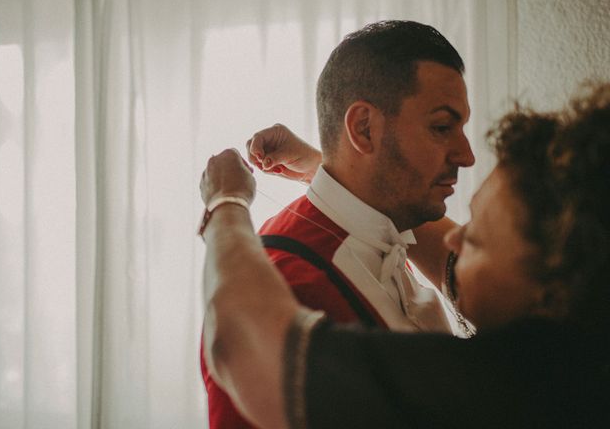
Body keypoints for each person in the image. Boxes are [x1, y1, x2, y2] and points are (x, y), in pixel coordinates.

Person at [199, 83, 610, 428]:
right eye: (441, 127)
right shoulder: (580, 341)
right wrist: (338, 174)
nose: (453, 241)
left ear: (554, 291)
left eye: (478, 241)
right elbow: (456, 264)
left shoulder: (518, 387)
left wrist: (226, 201)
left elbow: (251, 351)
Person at [202, 20, 475, 428]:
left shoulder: (392, 227)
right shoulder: (280, 282)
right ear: (364, 128)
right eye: (441, 127)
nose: (466, 155)